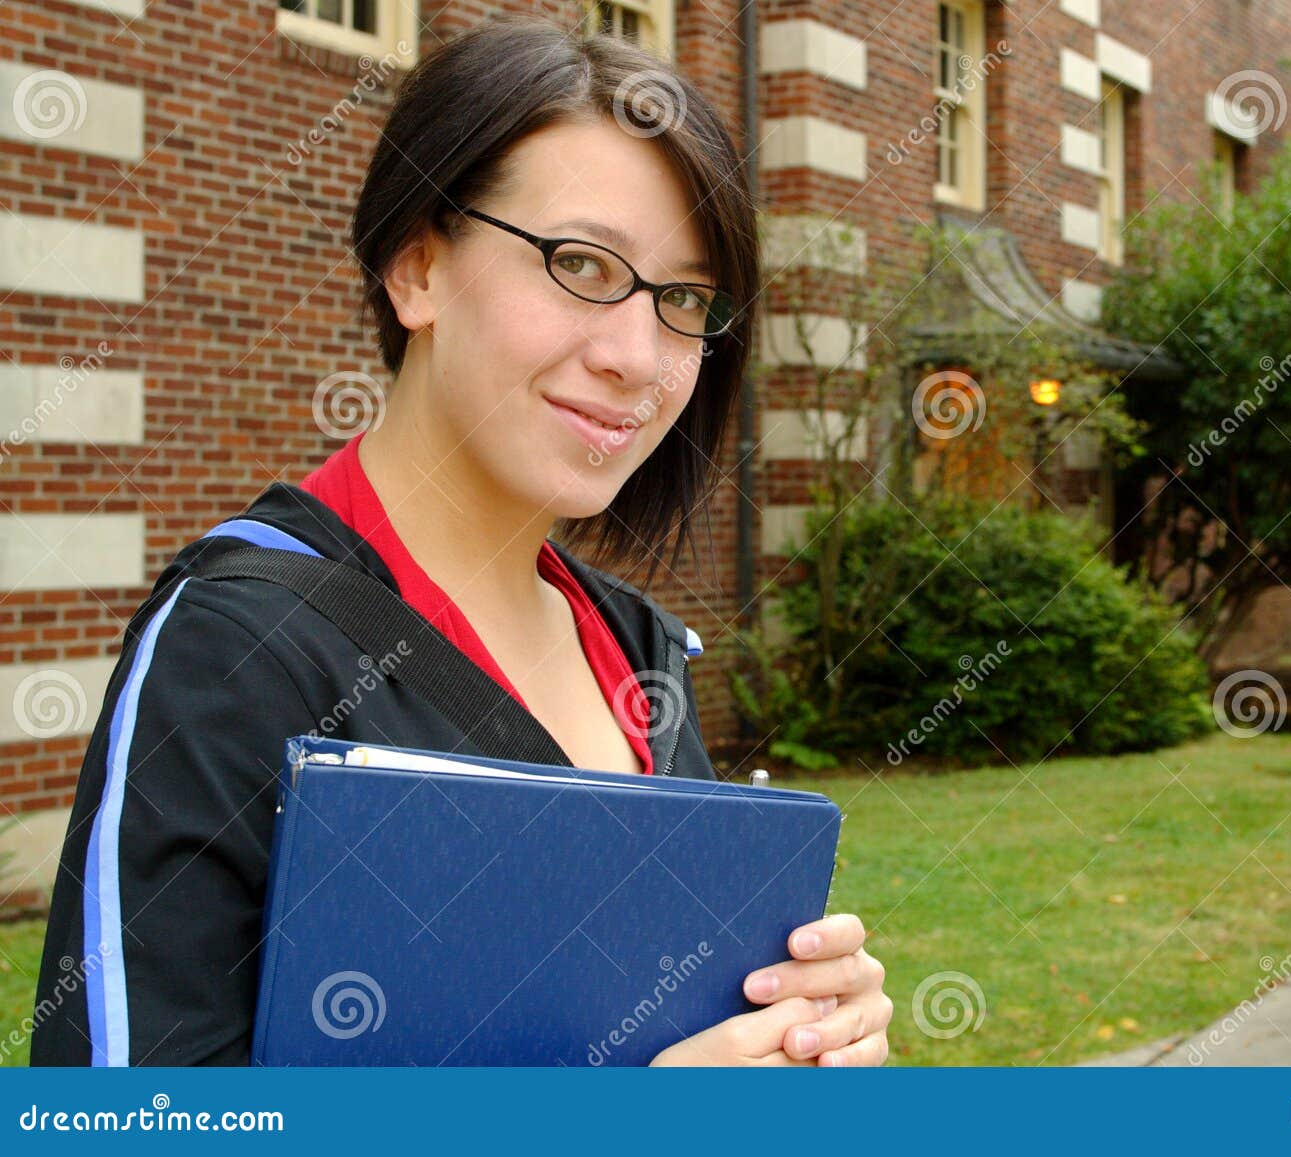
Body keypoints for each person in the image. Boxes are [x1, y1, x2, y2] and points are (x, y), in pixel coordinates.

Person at [30, 14, 891, 1068]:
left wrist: (798, 1032)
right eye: (580, 262)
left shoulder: (639, 654)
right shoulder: (238, 647)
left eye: (683, 298)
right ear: (417, 266)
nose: (637, 354)